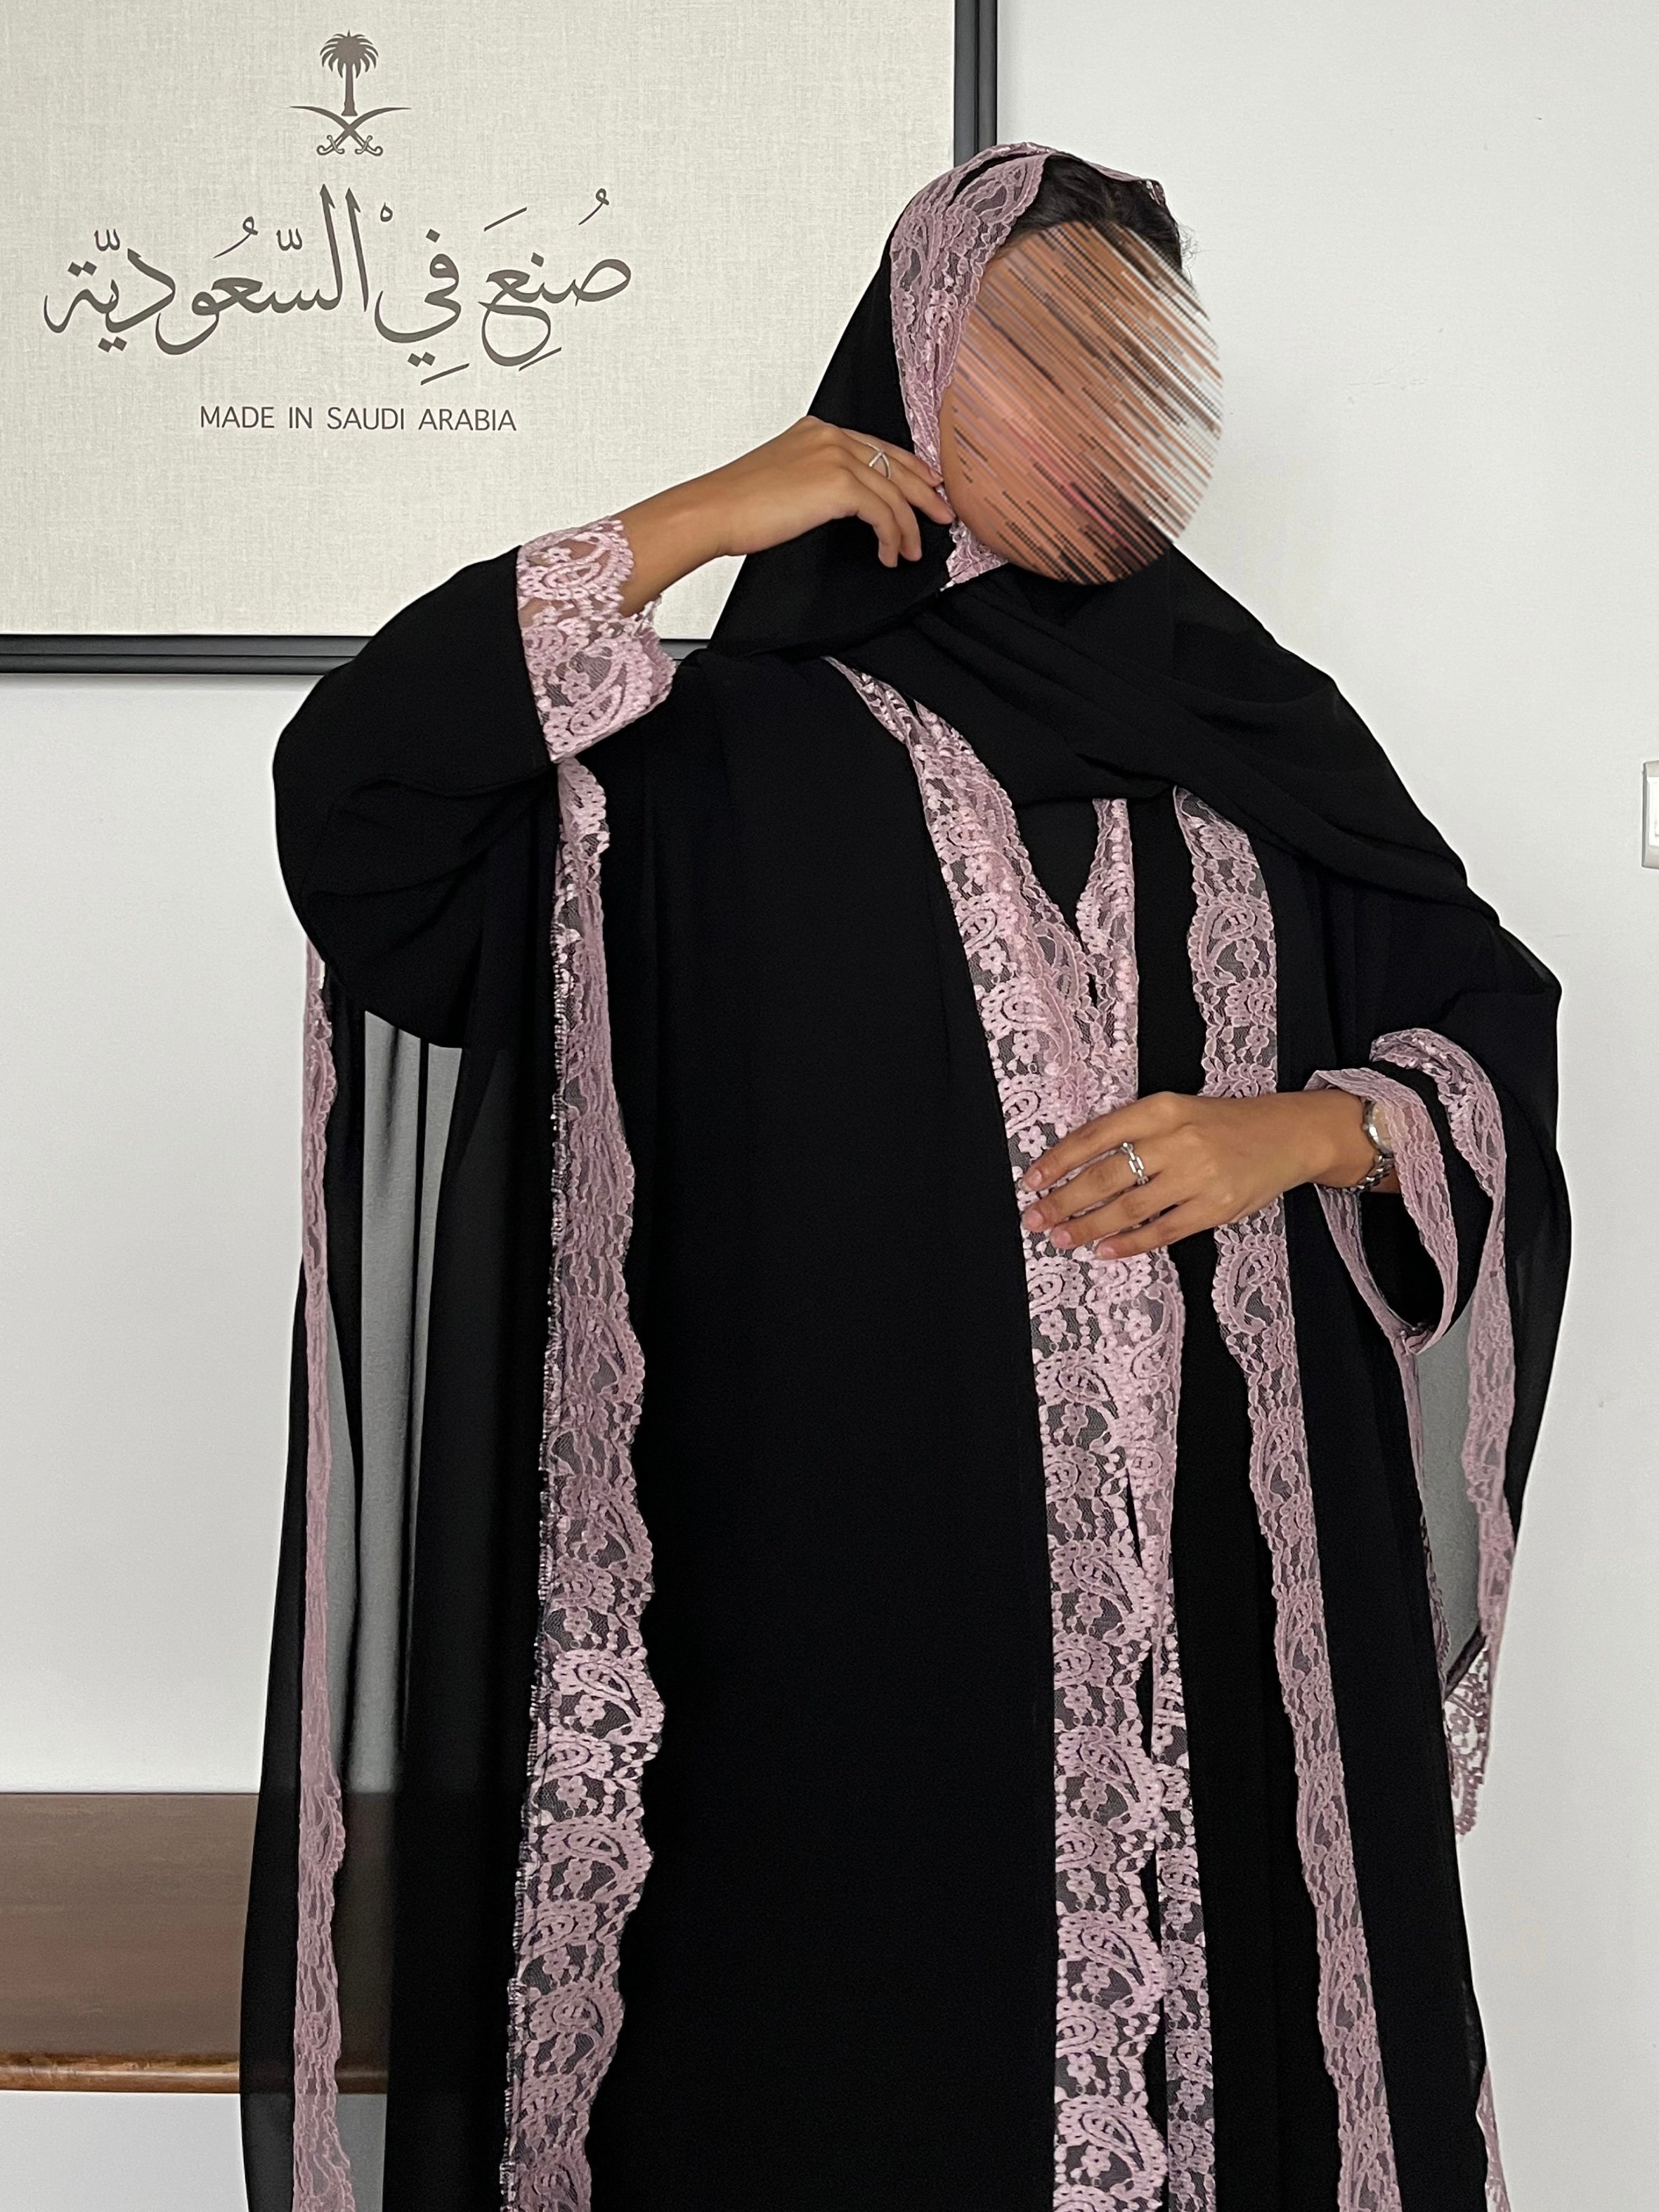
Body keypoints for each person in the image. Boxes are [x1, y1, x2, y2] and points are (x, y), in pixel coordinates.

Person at [241, 145, 1568, 2212]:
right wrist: (697, 518)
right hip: (844, 1640)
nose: (1091, 420)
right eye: (1034, 361)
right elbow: (362, 809)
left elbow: (1485, 1009)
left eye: (1132, 370)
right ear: (915, 377)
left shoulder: (1255, 726)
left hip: (1222, 1625)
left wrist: (1303, 1129)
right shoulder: (709, 762)